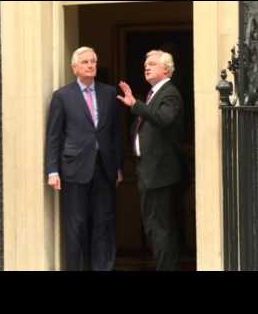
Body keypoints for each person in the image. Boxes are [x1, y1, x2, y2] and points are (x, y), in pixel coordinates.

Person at [45, 46, 123, 271]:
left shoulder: (109, 93)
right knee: (76, 225)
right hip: (74, 168)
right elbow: (54, 135)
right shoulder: (62, 96)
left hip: (104, 168)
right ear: (75, 68)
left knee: (103, 223)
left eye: (93, 61)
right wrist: (52, 170)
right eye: (86, 62)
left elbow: (115, 133)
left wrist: (118, 165)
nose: (91, 65)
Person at [117, 50, 184, 271]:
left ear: (166, 69)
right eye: (146, 64)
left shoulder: (169, 93)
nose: (147, 67)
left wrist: (135, 105)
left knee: (161, 229)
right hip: (149, 171)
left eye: (153, 64)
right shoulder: (154, 94)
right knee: (154, 228)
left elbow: (164, 119)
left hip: (160, 175)